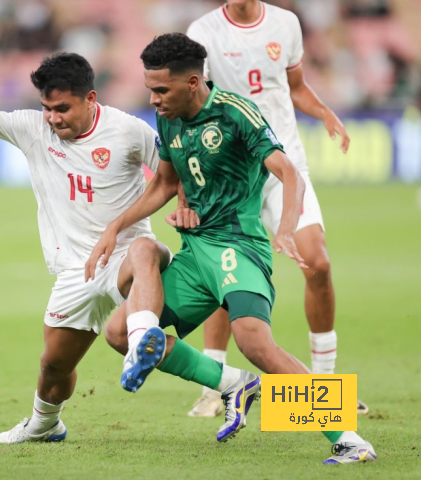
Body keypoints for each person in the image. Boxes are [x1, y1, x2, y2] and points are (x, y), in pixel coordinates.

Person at [0, 41, 260, 444]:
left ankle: (336, 418)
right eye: (47, 109)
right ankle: (46, 423)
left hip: (139, 258)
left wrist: (186, 207)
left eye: (62, 109)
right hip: (75, 271)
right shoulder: (34, 129)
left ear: (90, 98)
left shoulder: (128, 130)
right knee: (53, 367)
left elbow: (176, 173)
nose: (52, 119)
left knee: (151, 257)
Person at [87, 33, 376, 465]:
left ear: (192, 82)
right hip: (196, 251)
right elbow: (166, 183)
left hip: (238, 246)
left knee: (255, 341)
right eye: (150, 88)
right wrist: (115, 226)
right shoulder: (168, 118)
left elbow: (288, 173)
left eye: (161, 89)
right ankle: (234, 385)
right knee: (119, 335)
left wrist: (286, 229)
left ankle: (350, 439)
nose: (153, 99)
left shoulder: (236, 112)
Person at [184, 0, 368, 418]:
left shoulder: (286, 23)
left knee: (317, 263)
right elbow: (197, 103)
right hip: (230, 169)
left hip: (284, 166)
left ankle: (324, 384)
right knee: (223, 270)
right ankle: (214, 386)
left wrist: (323, 112)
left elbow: (295, 86)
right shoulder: (204, 31)